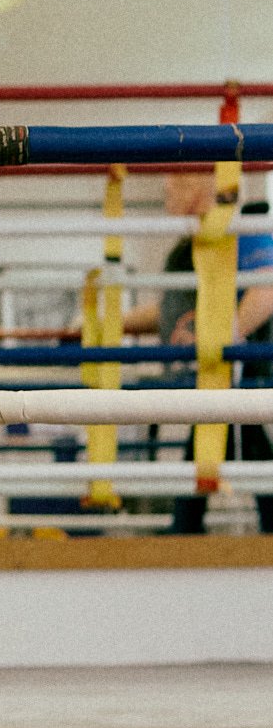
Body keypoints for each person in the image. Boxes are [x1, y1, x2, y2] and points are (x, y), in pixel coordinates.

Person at [130, 168, 273, 535]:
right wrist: (111, 323)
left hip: (238, 372)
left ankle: (185, 528)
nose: (166, 197)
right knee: (216, 441)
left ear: (192, 188)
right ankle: (186, 527)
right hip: (210, 374)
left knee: (237, 440)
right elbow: (171, 309)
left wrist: (223, 338)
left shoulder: (239, 229)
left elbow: (267, 289)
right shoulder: (190, 246)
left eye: (171, 188)